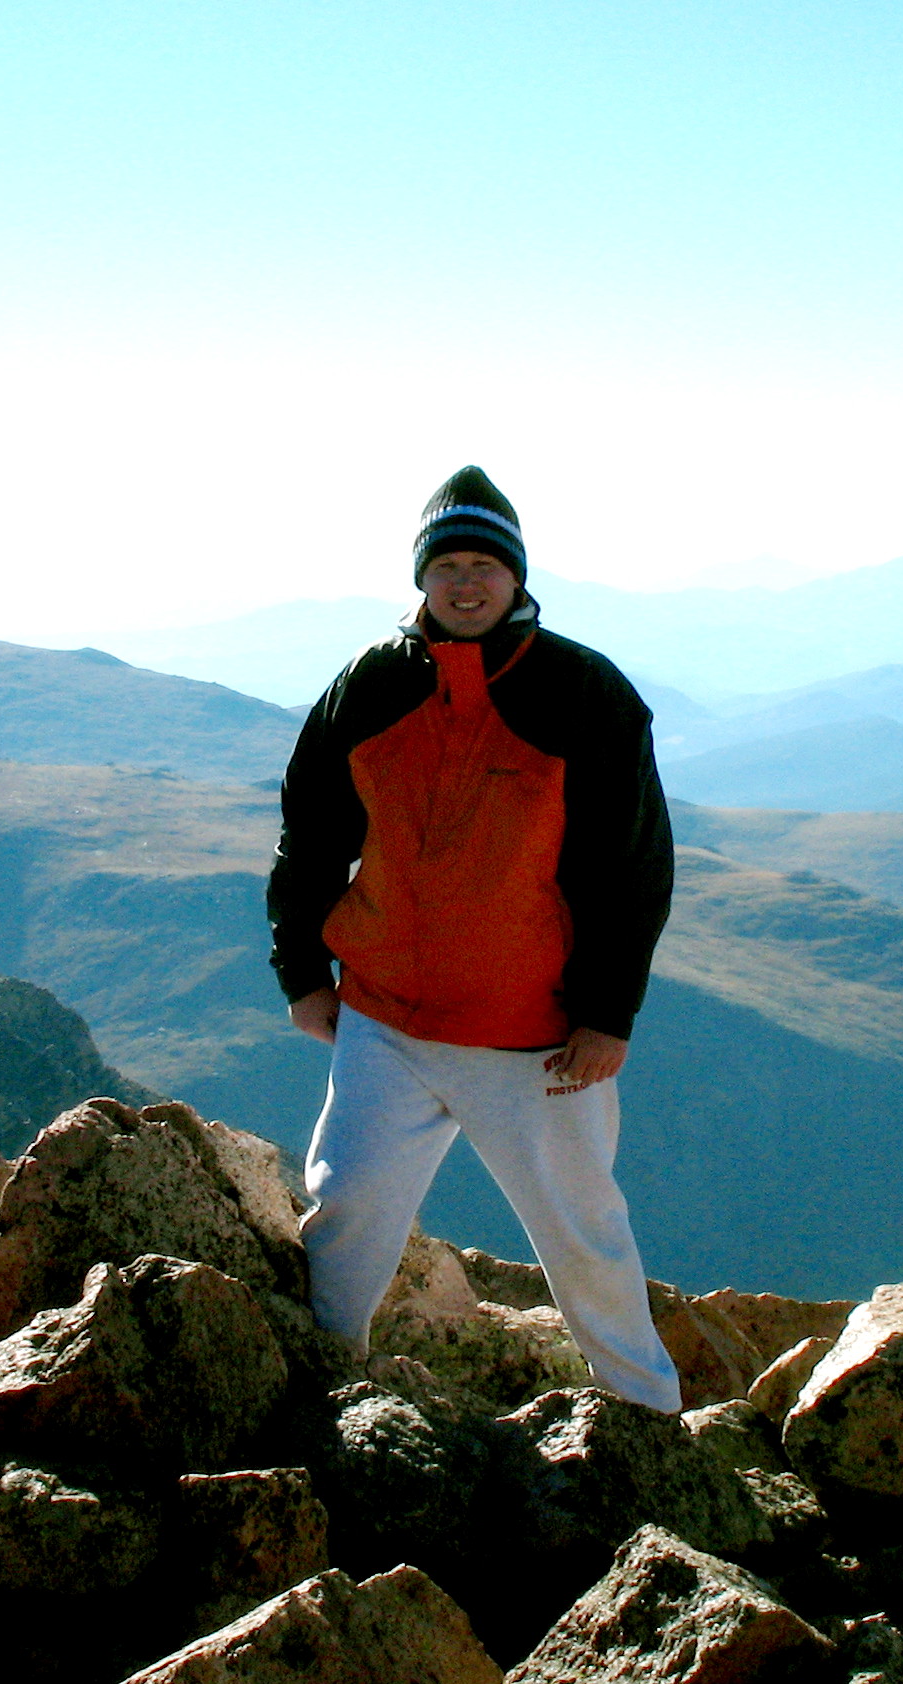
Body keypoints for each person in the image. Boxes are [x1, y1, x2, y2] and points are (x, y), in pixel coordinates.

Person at [266, 466, 684, 1412]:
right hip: (387, 1022)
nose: (465, 582)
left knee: (585, 1234)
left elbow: (636, 868)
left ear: (516, 576)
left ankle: (648, 1419)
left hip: (536, 1042)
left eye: (484, 565)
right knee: (346, 1212)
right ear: (420, 577)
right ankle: (320, 1399)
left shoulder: (585, 693)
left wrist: (608, 1013)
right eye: (447, 563)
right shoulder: (369, 684)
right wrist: (302, 970)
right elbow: (310, 835)